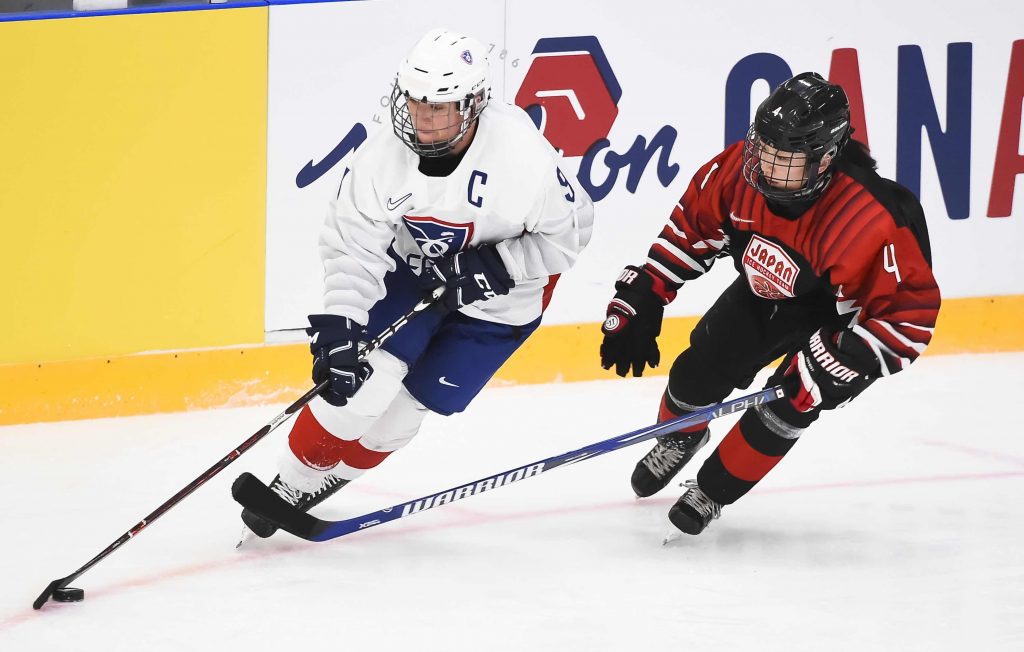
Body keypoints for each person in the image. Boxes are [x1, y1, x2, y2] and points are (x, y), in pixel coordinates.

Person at [241, 28, 594, 538]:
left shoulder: (523, 158)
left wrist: (499, 266)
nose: (422, 119)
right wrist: (343, 322)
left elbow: (571, 235)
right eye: (415, 102)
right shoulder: (382, 158)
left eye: (440, 107)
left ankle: (331, 480)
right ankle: (293, 482)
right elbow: (351, 246)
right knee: (364, 382)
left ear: (473, 103)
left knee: (402, 416)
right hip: (416, 276)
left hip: (504, 302)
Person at [599, 72, 940, 535]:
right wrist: (646, 291)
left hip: (842, 328)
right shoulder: (739, 171)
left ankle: (713, 490)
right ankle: (681, 436)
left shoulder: (869, 218)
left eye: (785, 160)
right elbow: (692, 230)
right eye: (764, 149)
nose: (763, 167)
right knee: (698, 369)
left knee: (787, 406)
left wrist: (835, 363)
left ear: (824, 161)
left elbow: (908, 320)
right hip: (766, 294)